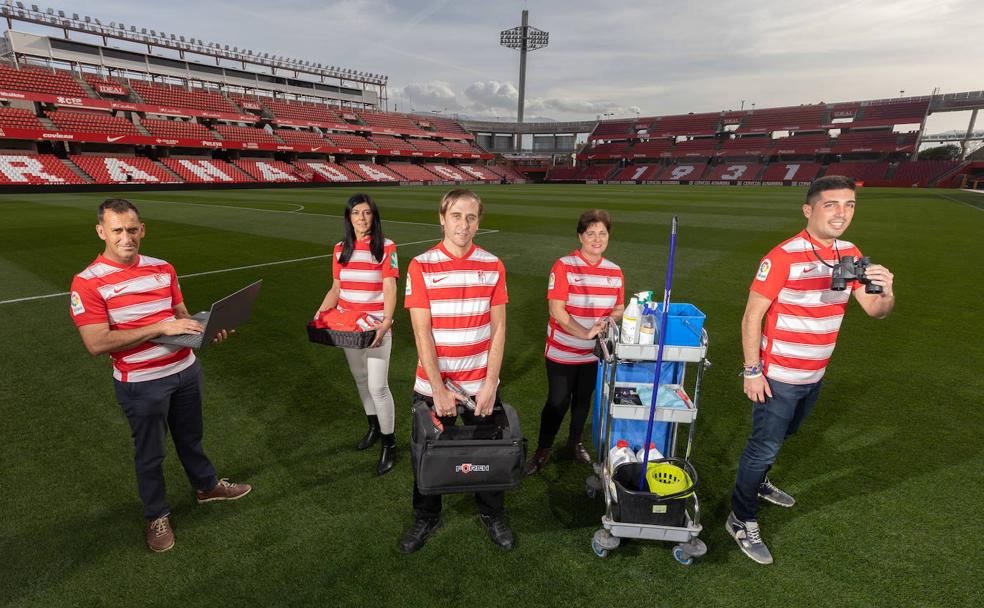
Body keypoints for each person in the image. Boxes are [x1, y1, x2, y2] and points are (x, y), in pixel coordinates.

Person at [726, 176, 895, 565]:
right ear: (809, 210)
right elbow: (752, 317)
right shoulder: (783, 256)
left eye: (849, 205)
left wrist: (886, 290)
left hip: (814, 375)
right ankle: (740, 518)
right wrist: (752, 371)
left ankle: (759, 483)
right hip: (778, 377)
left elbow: (876, 311)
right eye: (831, 204)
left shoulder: (850, 253)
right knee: (763, 446)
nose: (841, 213)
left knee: (786, 434)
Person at [69, 199, 251, 553]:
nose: (126, 237)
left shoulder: (163, 268)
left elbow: (181, 316)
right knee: (150, 454)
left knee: (191, 439)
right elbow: (96, 343)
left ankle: (207, 487)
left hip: (185, 370)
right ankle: (157, 515)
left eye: (132, 229)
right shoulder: (87, 282)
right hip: (141, 384)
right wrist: (159, 327)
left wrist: (206, 330)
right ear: (101, 231)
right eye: (117, 230)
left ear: (143, 229)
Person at [398, 189, 513, 554]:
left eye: (471, 217)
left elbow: (499, 328)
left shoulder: (493, 265)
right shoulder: (421, 265)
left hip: (481, 385)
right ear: (442, 218)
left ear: (479, 222)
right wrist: (437, 388)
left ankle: (491, 512)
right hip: (435, 386)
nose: (464, 224)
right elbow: (421, 333)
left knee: (489, 453)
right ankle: (426, 515)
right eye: (457, 216)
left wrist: (491, 383)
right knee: (427, 453)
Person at [525, 209, 624, 476]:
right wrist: (585, 333)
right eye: (591, 233)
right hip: (563, 352)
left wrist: (608, 320)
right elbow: (556, 310)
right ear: (580, 236)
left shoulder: (615, 271)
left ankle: (574, 443)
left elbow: (619, 308)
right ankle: (543, 449)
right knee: (557, 402)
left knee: (583, 400)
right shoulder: (564, 266)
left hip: (594, 354)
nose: (597, 239)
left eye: (602, 233)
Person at [315, 193, 399, 475]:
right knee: (360, 379)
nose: (361, 218)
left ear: (374, 216)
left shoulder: (386, 247)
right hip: (348, 327)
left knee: (378, 386)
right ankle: (373, 426)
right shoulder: (340, 249)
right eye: (356, 213)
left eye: (366, 213)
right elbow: (336, 288)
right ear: (348, 218)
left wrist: (386, 322)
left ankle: (389, 443)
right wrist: (320, 313)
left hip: (375, 328)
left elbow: (389, 287)